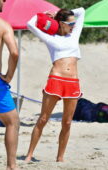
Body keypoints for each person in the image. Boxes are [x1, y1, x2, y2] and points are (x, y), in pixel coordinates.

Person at [25, 7, 85, 162]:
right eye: (70, 24)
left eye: (74, 23)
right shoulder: (50, 38)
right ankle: (29, 155)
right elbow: (30, 24)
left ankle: (60, 158)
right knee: (43, 119)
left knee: (67, 122)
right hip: (56, 79)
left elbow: (82, 11)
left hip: (72, 82)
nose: (73, 26)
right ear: (61, 23)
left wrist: (61, 12)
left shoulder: (74, 34)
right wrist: (44, 15)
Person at [0, 0, 20, 169]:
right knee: (12, 122)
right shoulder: (2, 25)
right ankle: (11, 166)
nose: (5, 1)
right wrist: (9, 75)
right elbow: (14, 52)